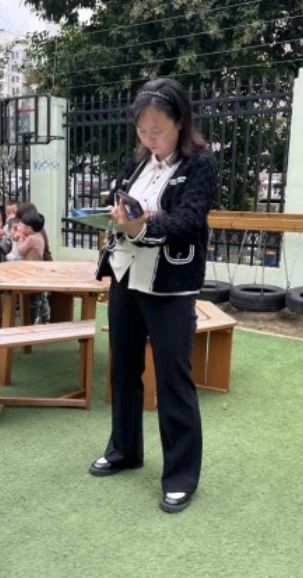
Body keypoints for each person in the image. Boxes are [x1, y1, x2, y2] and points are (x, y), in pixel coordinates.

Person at [90, 78, 218, 514]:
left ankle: (180, 476)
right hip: (126, 276)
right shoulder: (138, 163)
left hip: (170, 284)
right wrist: (113, 217)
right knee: (123, 367)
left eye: (157, 129)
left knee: (172, 377)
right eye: (142, 130)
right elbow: (121, 205)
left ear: (180, 122)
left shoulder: (200, 164)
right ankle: (124, 450)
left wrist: (142, 224)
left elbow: (188, 221)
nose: (149, 138)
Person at [17, 209, 50, 324]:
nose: (20, 227)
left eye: (22, 225)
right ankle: (45, 317)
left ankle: (32, 319)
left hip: (30, 272)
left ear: (29, 229)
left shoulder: (31, 239)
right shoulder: (40, 236)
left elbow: (20, 251)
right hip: (39, 270)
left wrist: (20, 239)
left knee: (33, 298)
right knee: (42, 296)